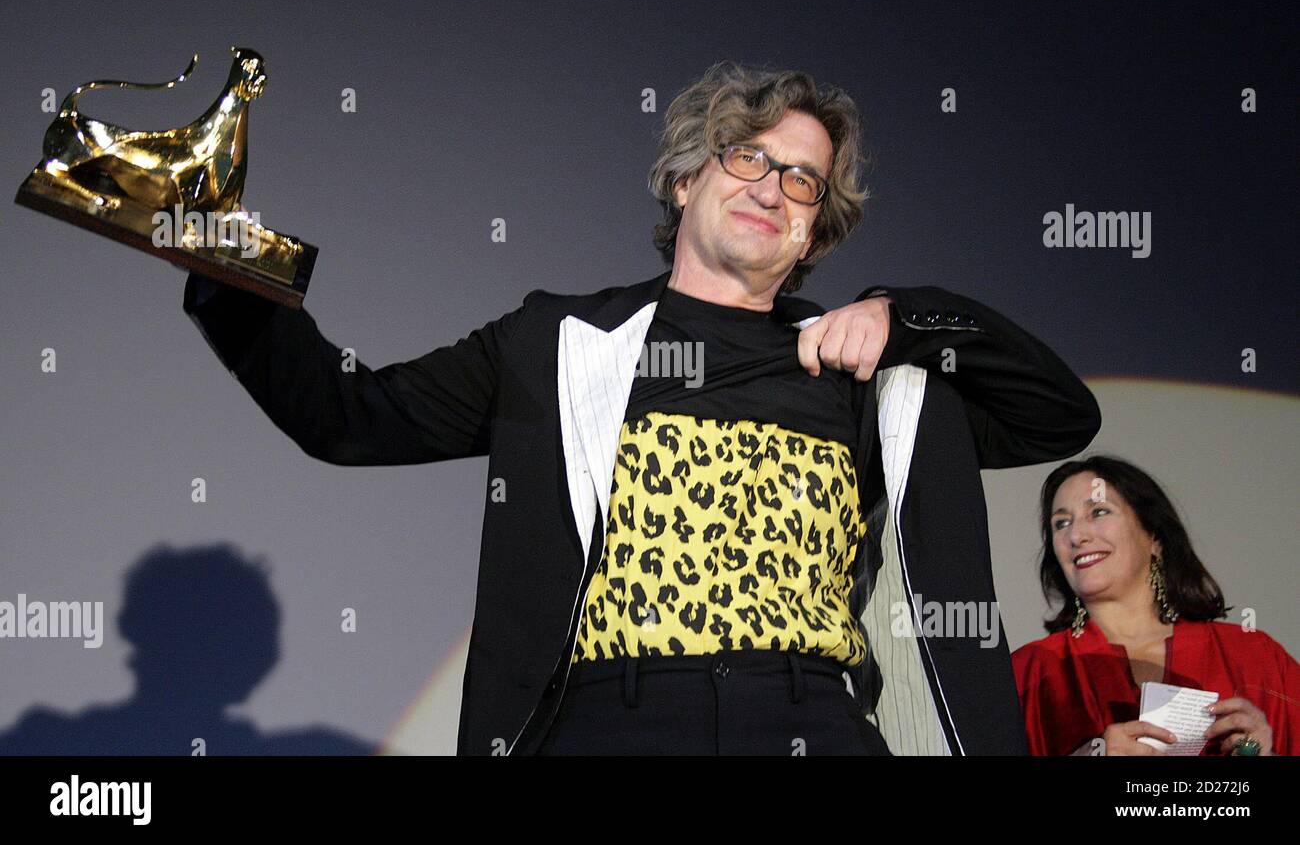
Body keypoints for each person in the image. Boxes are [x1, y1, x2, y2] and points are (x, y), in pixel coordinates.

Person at [184, 61, 1100, 755]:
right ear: (686, 179)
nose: (772, 187)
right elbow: (348, 417)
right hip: (608, 720)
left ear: (815, 228)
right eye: (750, 156)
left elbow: (1056, 414)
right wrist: (219, 254)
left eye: (802, 180)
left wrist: (903, 312)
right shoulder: (554, 342)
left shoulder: (861, 368)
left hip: (808, 717)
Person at [1012, 455, 1300, 756]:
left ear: (1154, 536)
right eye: (1061, 523)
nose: (1076, 535)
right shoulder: (1028, 672)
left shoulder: (1254, 655)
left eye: (1098, 511)